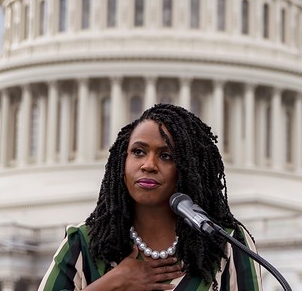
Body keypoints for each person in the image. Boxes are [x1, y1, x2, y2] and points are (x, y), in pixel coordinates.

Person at [38, 103, 263, 291]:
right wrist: (114, 282)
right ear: (121, 161)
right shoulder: (83, 244)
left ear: (188, 169)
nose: (148, 165)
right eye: (138, 152)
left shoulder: (227, 244)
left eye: (166, 156)